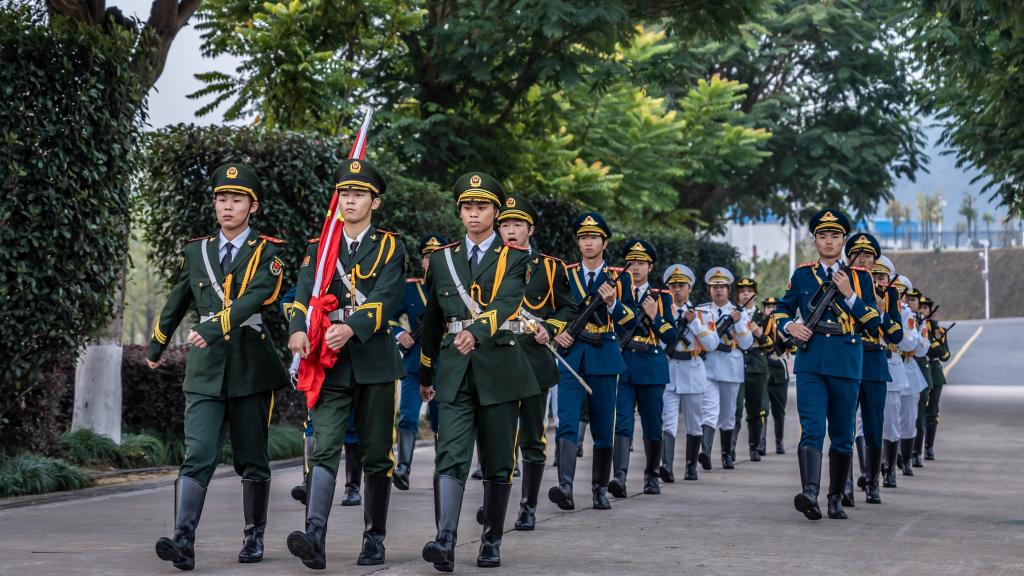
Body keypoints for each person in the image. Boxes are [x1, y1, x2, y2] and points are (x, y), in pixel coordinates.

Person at [149, 163, 288, 570]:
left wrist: (212, 327)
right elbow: (178, 299)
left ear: (252, 206)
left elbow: (257, 298)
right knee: (199, 453)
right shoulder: (197, 251)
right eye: (221, 199)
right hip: (206, 370)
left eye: (237, 200)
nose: (228, 206)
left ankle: (254, 535)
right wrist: (157, 345)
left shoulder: (267, 253)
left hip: (250, 366)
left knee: (252, 456)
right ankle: (183, 539)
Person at [286, 158, 407, 570]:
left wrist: (352, 327)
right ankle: (314, 537)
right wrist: (297, 329)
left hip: (374, 361)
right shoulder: (320, 247)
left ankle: (374, 539)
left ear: (375, 201)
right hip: (329, 361)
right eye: (344, 194)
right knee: (323, 447)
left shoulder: (390, 246)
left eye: (358, 194)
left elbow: (388, 297)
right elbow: (303, 294)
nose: (349, 200)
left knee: (377, 454)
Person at [419, 173, 537, 571]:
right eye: (467, 207)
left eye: (482, 207)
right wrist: (426, 373)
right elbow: (432, 320)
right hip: (454, 369)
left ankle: (491, 541)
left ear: (496, 212)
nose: (474, 213)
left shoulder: (515, 258)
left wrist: (476, 331)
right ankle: (445, 540)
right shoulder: (442, 259)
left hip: (499, 367)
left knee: (498, 460)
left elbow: (507, 302)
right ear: (460, 212)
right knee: (450, 454)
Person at [773, 208, 880, 521]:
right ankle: (810, 493)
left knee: (843, 434)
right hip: (811, 361)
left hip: (846, 360)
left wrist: (850, 295)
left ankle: (835, 497)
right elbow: (781, 310)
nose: (829, 241)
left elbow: (873, 321)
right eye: (823, 236)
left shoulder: (860, 277)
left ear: (843, 240)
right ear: (815, 241)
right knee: (812, 428)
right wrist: (790, 326)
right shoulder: (803, 275)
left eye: (835, 236)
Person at [482, 193, 576, 531]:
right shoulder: (485, 263)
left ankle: (528, 506)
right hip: (496, 358)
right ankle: (493, 505)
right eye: (505, 224)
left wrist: (550, 328)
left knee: (533, 436)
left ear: (530, 229)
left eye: (517, 224)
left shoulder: (550, 267)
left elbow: (567, 307)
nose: (510, 230)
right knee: (497, 437)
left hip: (534, 359)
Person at [548, 212, 636, 512]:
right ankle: (565, 486)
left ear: (604, 243)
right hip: (572, 354)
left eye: (594, 238)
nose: (588, 243)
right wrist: (557, 332)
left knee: (602, 424)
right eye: (584, 237)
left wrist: (612, 303)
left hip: (604, 355)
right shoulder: (564, 274)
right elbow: (553, 311)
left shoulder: (620, 278)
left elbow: (630, 320)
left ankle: (600, 488)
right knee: (566, 420)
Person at [609, 240, 676, 497]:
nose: (635, 268)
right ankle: (619, 477)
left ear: (650, 267)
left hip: (651, 365)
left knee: (652, 424)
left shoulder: (662, 297)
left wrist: (655, 316)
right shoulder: (617, 295)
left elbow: (671, 335)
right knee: (623, 423)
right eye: (631, 263)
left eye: (641, 263)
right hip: (624, 363)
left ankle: (652, 476)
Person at [844, 234, 902, 505]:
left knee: (874, 426)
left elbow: (896, 335)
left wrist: (881, 313)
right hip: (845, 359)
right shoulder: (841, 285)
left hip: (873, 361)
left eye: (867, 256)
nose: (862, 260)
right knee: (844, 425)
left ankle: (872, 481)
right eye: (856, 255)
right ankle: (844, 485)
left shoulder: (888, 294)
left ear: (875, 260)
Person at [390, 234, 448, 491]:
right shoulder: (410, 288)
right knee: (408, 416)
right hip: (414, 363)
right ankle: (403, 468)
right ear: (422, 261)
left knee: (441, 420)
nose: (431, 261)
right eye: (427, 257)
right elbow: (388, 315)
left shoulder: (454, 288)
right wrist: (399, 333)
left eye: (437, 256)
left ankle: (442, 470)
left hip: (444, 363)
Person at [659, 264, 719, 482]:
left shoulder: (703, 314)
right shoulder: (662, 312)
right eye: (673, 285)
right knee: (668, 421)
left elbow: (712, 344)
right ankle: (666, 466)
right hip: (669, 371)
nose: (677, 289)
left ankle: (691, 466)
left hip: (693, 370)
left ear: (690, 288)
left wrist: (694, 324)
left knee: (694, 422)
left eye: (681, 285)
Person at [697, 267, 753, 471]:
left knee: (728, 413)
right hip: (708, 366)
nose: (718, 290)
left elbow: (746, 343)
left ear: (729, 289)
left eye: (722, 286)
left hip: (731, 366)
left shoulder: (740, 312)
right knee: (709, 410)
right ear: (709, 290)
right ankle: (705, 452)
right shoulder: (702, 311)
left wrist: (738, 323)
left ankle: (726, 454)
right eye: (714, 287)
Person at [734, 277, 770, 462]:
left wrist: (759, 334)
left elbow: (771, 345)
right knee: (735, 409)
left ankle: (754, 447)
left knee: (755, 410)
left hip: (757, 366)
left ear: (755, 294)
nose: (745, 294)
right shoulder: (732, 315)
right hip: (735, 365)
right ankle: (729, 449)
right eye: (742, 291)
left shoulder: (765, 317)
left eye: (749, 291)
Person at [897, 285, 929, 477]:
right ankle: (889, 460)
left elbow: (921, 350)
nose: (907, 301)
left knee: (909, 420)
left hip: (908, 369)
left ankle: (907, 459)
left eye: (907, 297)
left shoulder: (916, 320)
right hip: (889, 366)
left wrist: (916, 331)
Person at [921, 297, 951, 460]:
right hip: (920, 371)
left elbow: (945, 356)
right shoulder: (918, 326)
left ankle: (929, 447)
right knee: (918, 412)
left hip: (935, 373)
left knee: (932, 412)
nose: (923, 310)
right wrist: (933, 345)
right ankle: (914, 449)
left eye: (926, 308)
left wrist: (936, 345)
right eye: (921, 307)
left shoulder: (940, 331)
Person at [762, 297, 790, 455]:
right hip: (764, 370)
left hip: (779, 372)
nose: (771, 310)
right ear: (764, 310)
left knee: (779, 411)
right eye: (768, 307)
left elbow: (792, 348)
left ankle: (779, 442)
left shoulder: (783, 326)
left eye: (774, 307)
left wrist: (785, 338)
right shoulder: (759, 325)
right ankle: (761, 444)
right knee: (762, 410)